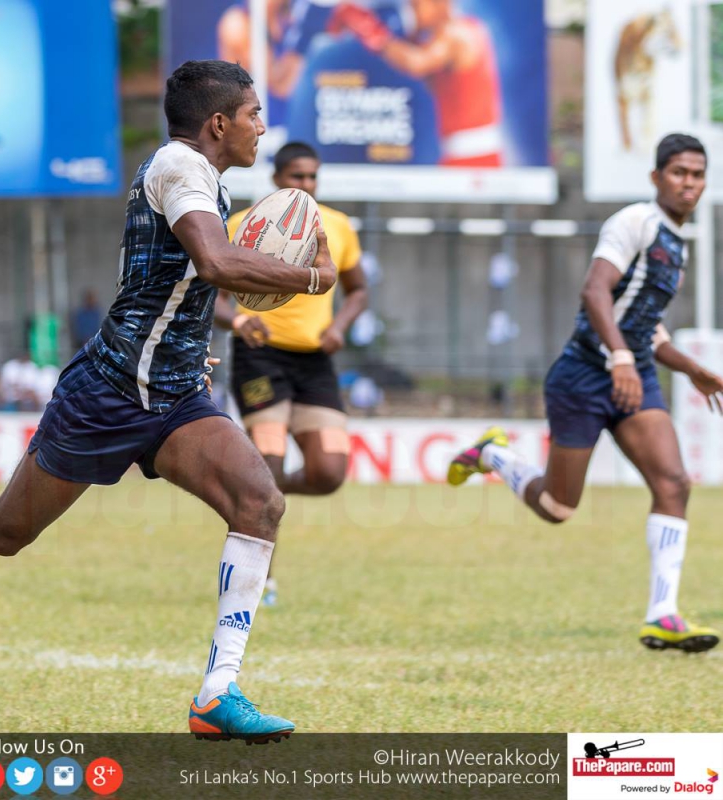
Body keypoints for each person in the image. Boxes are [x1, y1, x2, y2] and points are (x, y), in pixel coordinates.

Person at [0, 60, 337, 743]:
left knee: (260, 502)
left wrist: (187, 343)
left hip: (173, 395)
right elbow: (217, 264)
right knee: (5, 533)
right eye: (254, 114)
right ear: (219, 123)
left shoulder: (205, 179)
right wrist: (311, 276)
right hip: (107, 392)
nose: (262, 126)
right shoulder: (180, 166)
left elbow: (173, 283)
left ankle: (217, 694)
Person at [449, 134, 723, 653]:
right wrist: (619, 358)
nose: (688, 183)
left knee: (673, 483)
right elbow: (595, 290)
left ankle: (663, 615)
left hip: (634, 374)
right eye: (678, 172)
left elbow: (643, 323)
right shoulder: (634, 222)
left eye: (697, 174)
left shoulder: (677, 244)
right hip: (584, 375)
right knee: (557, 507)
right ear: (656, 177)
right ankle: (492, 454)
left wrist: (691, 369)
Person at [215, 141, 368, 607]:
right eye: (297, 176)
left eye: (312, 176)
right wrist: (238, 321)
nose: (306, 184)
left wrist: (339, 327)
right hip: (259, 357)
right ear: (277, 179)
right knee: (271, 462)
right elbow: (211, 296)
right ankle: (262, 579)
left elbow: (359, 290)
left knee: (329, 472)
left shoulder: (338, 226)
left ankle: (257, 495)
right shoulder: (243, 226)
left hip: (315, 361)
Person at [328, 0, 505, 166]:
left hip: (470, 157)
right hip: (471, 153)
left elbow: (416, 63)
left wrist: (371, 31)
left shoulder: (454, 33)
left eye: (416, 5)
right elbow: (422, 69)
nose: (413, 13)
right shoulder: (467, 29)